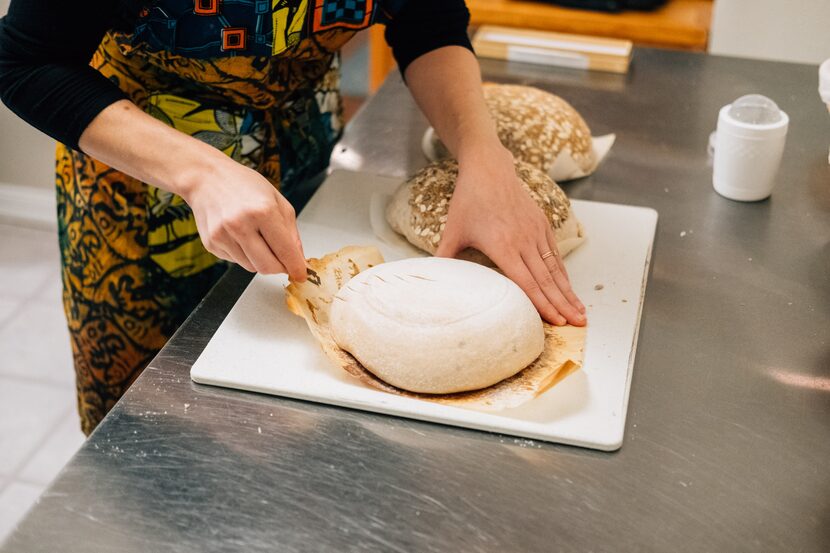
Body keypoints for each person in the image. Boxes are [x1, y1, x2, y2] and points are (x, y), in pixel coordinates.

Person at [0, 0, 586, 435]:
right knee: (162, 445)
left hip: (305, 156)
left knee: (307, 427)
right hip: (139, 183)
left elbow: (427, 21)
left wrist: (484, 157)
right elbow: (24, 60)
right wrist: (199, 172)